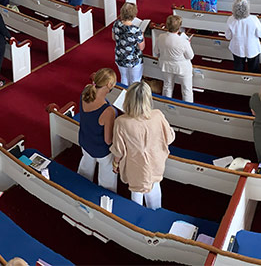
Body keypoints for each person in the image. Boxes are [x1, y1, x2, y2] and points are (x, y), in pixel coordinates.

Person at [111, 81, 175, 209]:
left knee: (137, 192)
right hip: (155, 160)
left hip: (135, 164)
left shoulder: (121, 121)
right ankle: (156, 214)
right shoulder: (157, 115)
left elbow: (119, 150)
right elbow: (170, 138)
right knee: (155, 185)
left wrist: (115, 164)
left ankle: (137, 218)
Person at [77, 68, 118, 193]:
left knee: (84, 172)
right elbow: (107, 140)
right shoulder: (108, 111)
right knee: (107, 184)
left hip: (85, 142)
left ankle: (80, 189)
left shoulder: (86, 92)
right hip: (101, 151)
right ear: (109, 85)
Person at [155, 15, 194, 102]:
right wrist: (188, 44)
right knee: (186, 89)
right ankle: (187, 107)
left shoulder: (160, 37)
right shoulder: (183, 41)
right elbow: (190, 56)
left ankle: (165, 104)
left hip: (166, 66)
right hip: (182, 67)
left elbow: (156, 51)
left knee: (167, 86)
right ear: (179, 27)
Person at [225, 0, 261, 73]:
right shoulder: (254, 19)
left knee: (238, 70)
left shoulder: (231, 19)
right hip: (252, 48)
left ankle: (239, 83)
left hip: (237, 48)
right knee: (254, 70)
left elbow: (228, 37)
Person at [112, 2, 145, 85]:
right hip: (133, 59)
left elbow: (113, 38)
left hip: (120, 56)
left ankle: (125, 95)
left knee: (124, 78)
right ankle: (132, 97)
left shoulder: (116, 24)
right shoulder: (136, 30)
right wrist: (142, 36)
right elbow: (141, 47)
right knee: (135, 81)